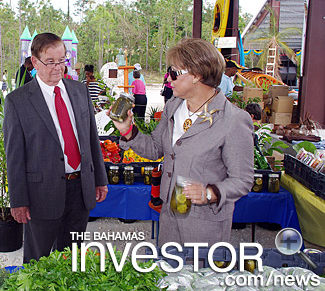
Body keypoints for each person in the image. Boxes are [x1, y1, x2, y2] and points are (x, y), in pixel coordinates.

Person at [108, 38, 253, 246]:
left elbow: (242, 180)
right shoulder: (174, 107)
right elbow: (156, 148)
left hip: (204, 224)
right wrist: (128, 131)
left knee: (199, 277)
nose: (168, 78)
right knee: (169, 271)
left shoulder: (233, 120)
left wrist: (210, 192)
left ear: (196, 75)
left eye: (174, 72)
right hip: (170, 213)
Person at [3, 32, 108, 264]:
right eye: (50, 62)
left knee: (73, 257)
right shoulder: (17, 101)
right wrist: (18, 200)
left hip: (80, 190)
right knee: (38, 260)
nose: (58, 67)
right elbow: (14, 156)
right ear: (34, 61)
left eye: (62, 60)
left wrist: (100, 179)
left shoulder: (79, 92)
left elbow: (92, 139)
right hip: (41, 195)